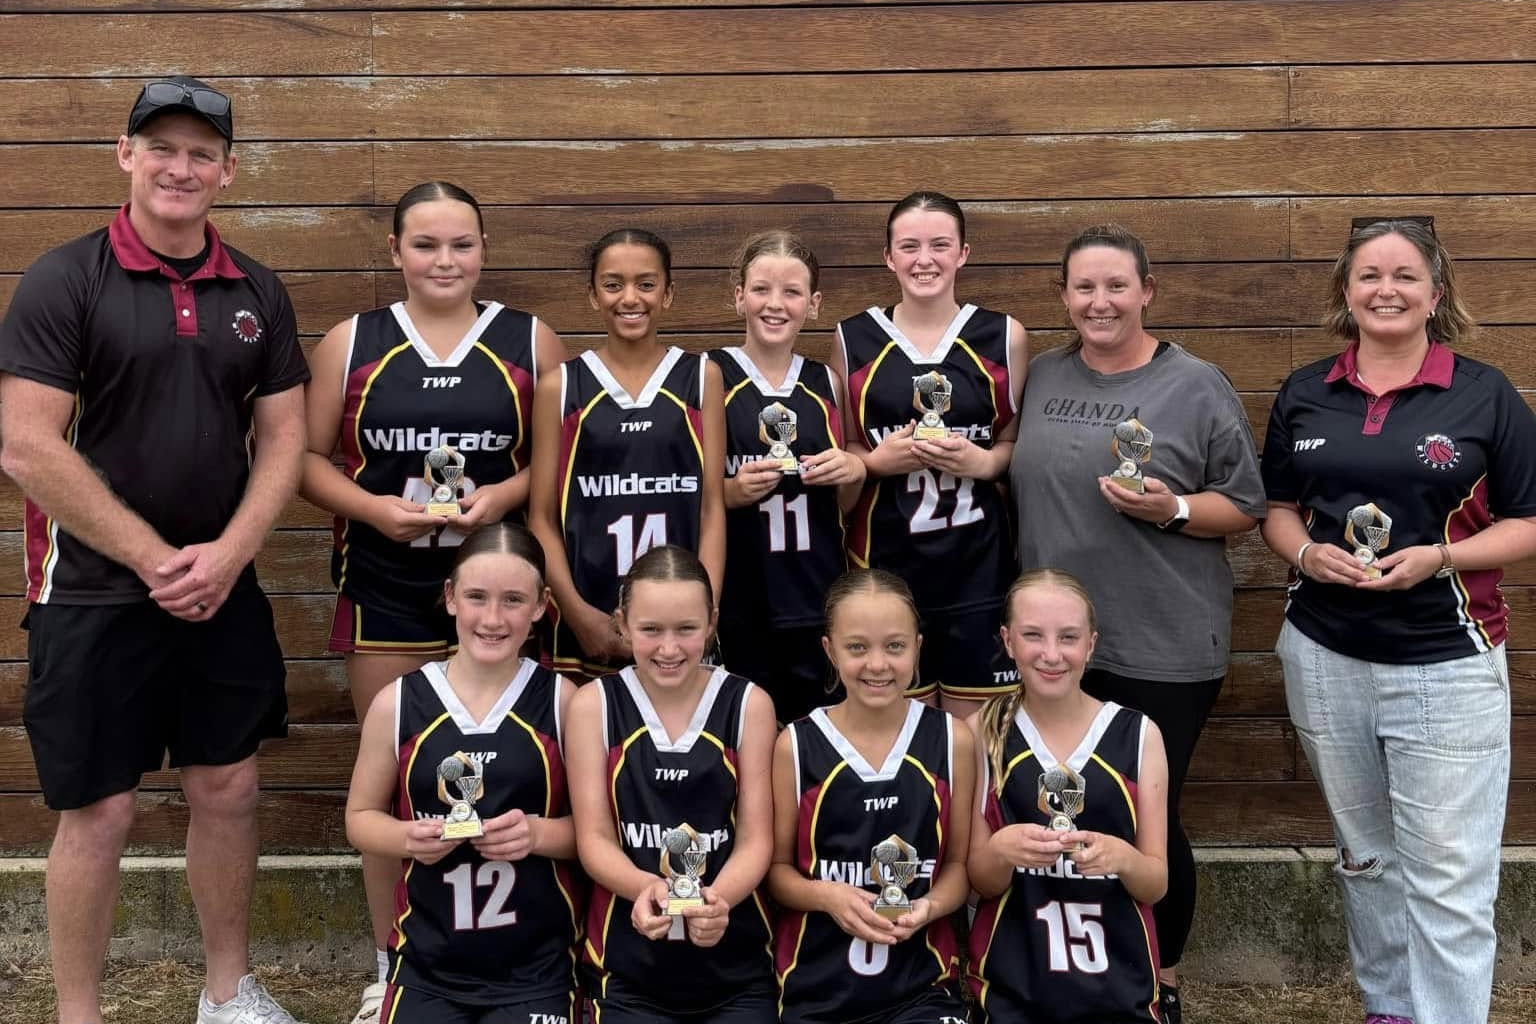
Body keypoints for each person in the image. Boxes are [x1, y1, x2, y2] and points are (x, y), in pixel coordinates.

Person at [0, 77, 310, 1024]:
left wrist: (226, 556)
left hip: (221, 591)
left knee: (229, 784)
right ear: (125, 154)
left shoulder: (257, 288)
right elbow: (24, 443)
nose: (182, 167)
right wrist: (151, 557)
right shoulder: (67, 277)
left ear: (227, 170)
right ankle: (79, 1014)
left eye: (201, 152)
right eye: (161, 147)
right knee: (99, 810)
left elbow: (287, 440)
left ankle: (228, 993)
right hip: (91, 591)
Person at [1259, 217, 1536, 1024]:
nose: (1387, 289)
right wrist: (1309, 556)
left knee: (1448, 873)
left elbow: (1527, 520)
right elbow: (1277, 509)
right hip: (1324, 654)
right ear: (1345, 294)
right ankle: (1390, 1008)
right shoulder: (1307, 390)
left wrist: (1439, 558)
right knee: (1367, 858)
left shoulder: (1484, 393)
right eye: (1370, 276)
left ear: (1435, 295)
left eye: (1406, 276)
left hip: (1447, 662)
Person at [300, 180, 563, 1022]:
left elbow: (560, 462)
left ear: (484, 249)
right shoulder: (352, 342)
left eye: (461, 245)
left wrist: (504, 493)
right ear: (395, 252)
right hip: (386, 588)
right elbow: (304, 462)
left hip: (499, 599)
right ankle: (394, 962)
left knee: (521, 779)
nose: (444, 261)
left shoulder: (529, 340)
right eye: (426, 245)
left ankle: (528, 962)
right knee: (396, 784)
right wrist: (376, 510)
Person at [1009, 223, 1265, 1020]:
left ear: (1148, 290)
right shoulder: (1043, 373)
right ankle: (1065, 970)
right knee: (1054, 805)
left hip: (1163, 640)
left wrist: (1175, 508)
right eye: (1084, 287)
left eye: (1117, 285)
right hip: (1054, 652)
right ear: (1064, 296)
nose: (1100, 301)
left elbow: (1246, 505)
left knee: (1150, 813)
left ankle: (1163, 976)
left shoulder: (1195, 383)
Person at [344, 522, 580, 1024]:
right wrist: (408, 837)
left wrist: (538, 833)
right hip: (428, 966)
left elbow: (597, 832)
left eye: (513, 600)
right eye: (477, 597)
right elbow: (360, 819)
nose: (493, 618)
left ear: (541, 605)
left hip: (535, 970)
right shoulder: (400, 702)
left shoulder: (563, 702)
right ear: (450, 597)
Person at [832, 191, 1027, 715]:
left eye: (940, 245)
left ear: (963, 252)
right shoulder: (853, 338)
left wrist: (985, 462)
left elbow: (1014, 441)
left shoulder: (1004, 335)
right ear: (888, 256)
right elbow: (848, 444)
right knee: (905, 739)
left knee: (979, 743)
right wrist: (876, 462)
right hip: (887, 568)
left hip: (979, 570)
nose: (925, 259)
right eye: (910, 246)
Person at [564, 546, 777, 1023]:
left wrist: (720, 899)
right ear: (622, 623)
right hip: (627, 972)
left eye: (686, 629)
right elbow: (594, 838)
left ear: (712, 621)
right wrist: (644, 888)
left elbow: (756, 839)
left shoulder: (749, 704)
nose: (668, 648)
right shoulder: (593, 705)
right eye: (650, 630)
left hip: (737, 972)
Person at [769, 569, 972, 1024]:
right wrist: (827, 897)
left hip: (921, 989)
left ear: (918, 647)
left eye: (894, 646)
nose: (877, 664)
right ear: (830, 650)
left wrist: (929, 907)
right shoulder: (795, 746)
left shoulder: (951, 740)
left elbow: (959, 866)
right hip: (816, 990)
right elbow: (777, 873)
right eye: (857, 647)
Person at [967, 570, 1169, 1024]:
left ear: (1091, 644)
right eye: (1033, 635)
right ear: (1008, 640)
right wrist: (1000, 851)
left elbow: (1156, 883)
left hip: (1118, 986)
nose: (1052, 654)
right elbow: (981, 881)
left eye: (1069, 637)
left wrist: (1124, 858)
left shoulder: (1138, 735)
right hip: (1016, 988)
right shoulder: (981, 731)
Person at [530, 229, 726, 679]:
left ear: (669, 293)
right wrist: (577, 614)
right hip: (588, 621)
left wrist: (706, 611)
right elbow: (541, 516)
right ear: (593, 295)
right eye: (613, 284)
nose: (630, 298)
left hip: (681, 627)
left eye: (646, 283)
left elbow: (712, 508)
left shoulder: (700, 378)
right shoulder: (560, 387)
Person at [710, 231, 863, 722]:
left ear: (813, 304)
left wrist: (850, 471)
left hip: (814, 595)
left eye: (792, 292)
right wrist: (732, 491)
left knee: (811, 738)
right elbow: (686, 488)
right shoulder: (708, 375)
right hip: (739, 599)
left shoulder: (827, 384)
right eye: (761, 289)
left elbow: (846, 504)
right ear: (738, 297)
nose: (775, 304)